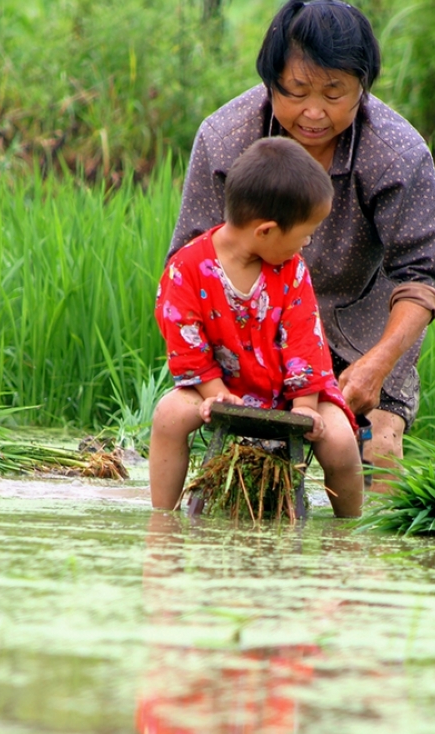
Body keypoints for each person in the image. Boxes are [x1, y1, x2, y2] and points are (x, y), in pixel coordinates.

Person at [167, 0, 435, 478]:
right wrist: (221, 375)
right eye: (296, 91)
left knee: (377, 444)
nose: (314, 112)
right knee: (249, 452)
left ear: (362, 87)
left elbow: (422, 276)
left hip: (362, 325)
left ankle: (358, 548)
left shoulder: (397, 153)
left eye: (334, 92)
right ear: (271, 81)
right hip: (249, 325)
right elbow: (189, 263)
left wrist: (378, 364)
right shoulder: (225, 138)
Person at [149, 137, 363, 518]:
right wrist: (216, 393)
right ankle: (162, 518)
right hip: (218, 389)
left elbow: (304, 342)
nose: (306, 244)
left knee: (341, 440)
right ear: (265, 231)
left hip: (292, 394)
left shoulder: (291, 270)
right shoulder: (186, 268)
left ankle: (350, 529)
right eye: (303, 235)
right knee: (168, 414)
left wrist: (305, 408)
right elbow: (184, 340)